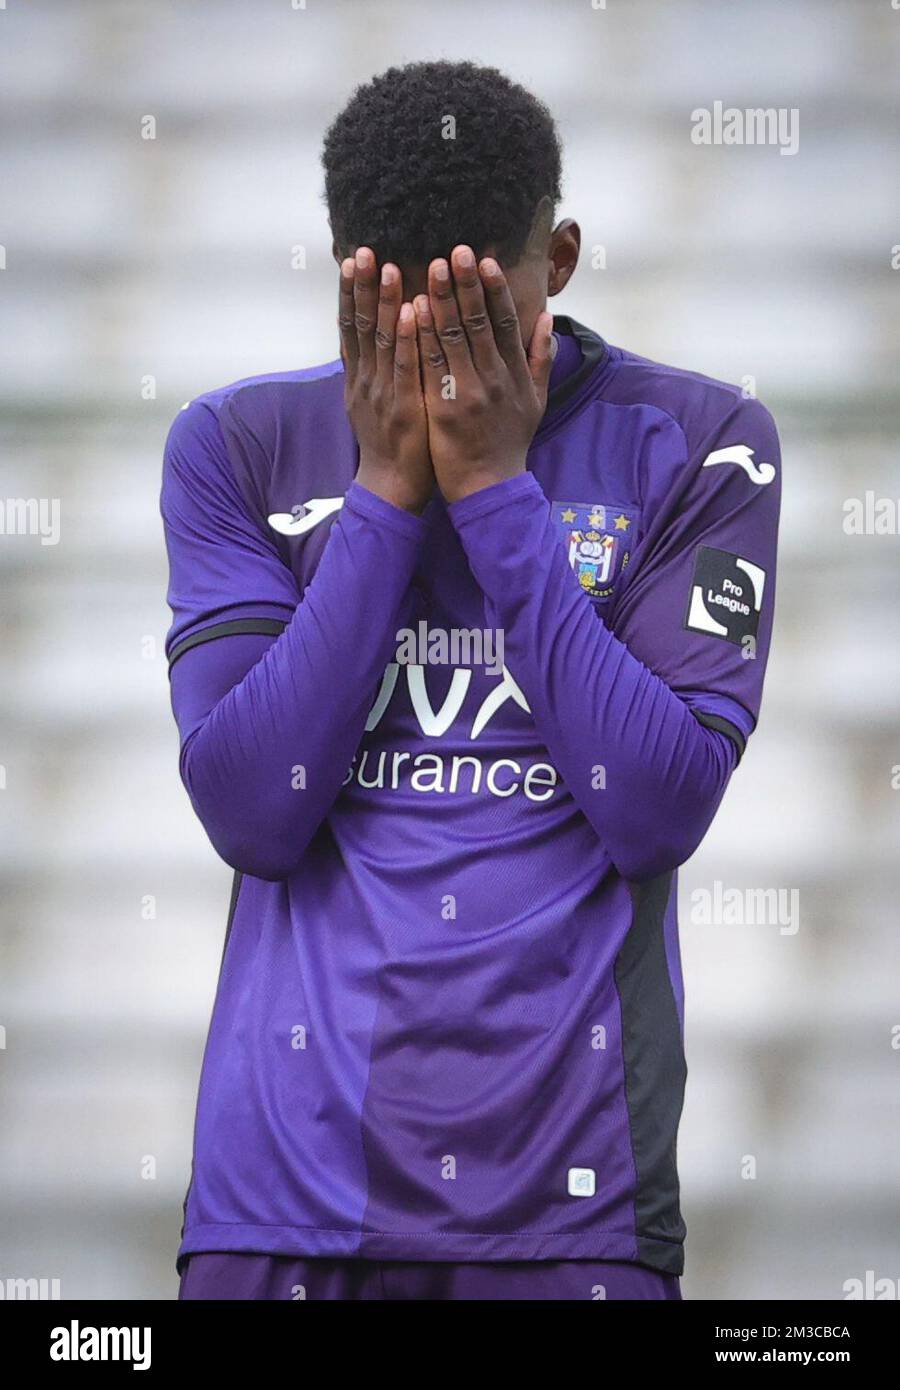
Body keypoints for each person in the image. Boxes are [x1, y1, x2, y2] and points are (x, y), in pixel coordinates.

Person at [163, 60, 780, 1301]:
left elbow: (656, 809)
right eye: (402, 321)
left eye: (478, 315)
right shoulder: (238, 446)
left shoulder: (709, 443)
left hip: (569, 1215)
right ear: (345, 278)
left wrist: (497, 493)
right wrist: (387, 497)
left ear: (558, 258)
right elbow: (252, 814)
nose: (441, 361)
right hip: (284, 1203)